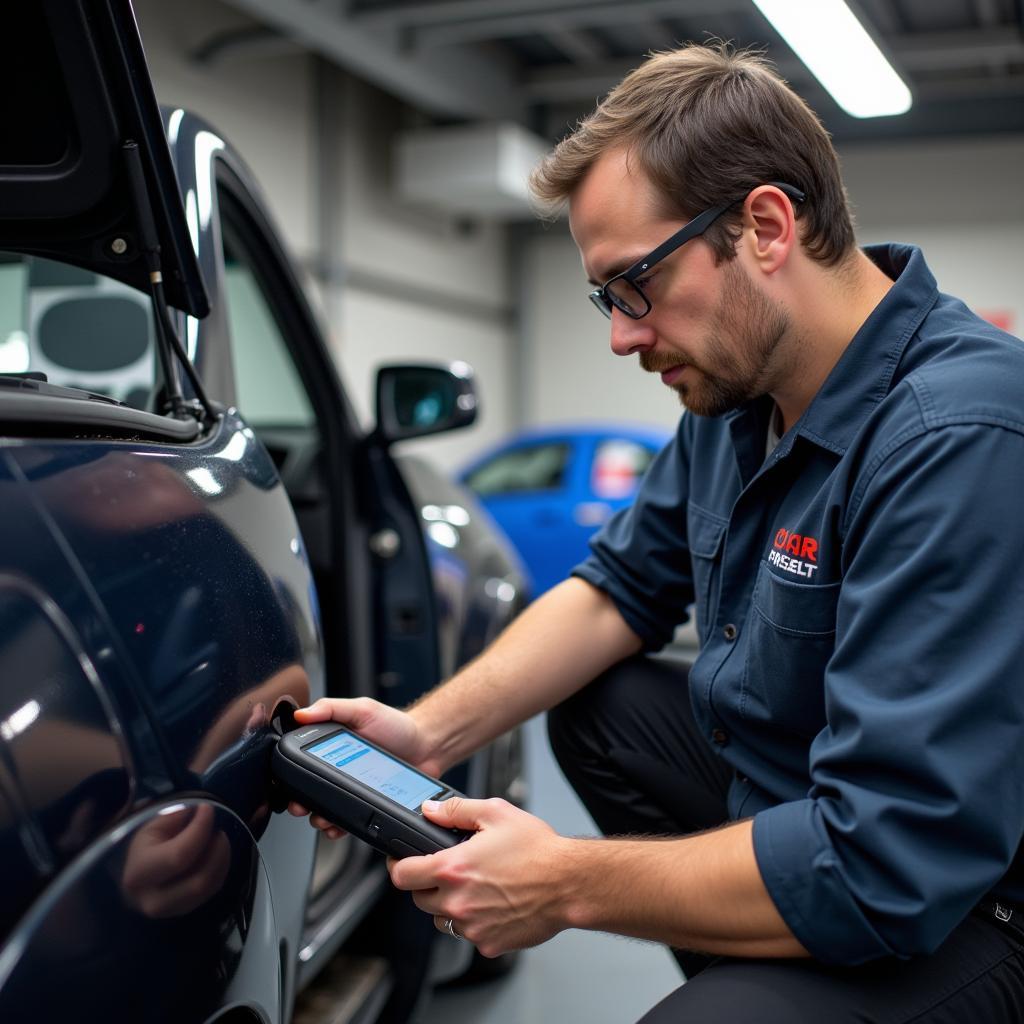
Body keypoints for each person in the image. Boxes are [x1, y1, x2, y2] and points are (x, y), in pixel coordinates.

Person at [289, 43, 1024, 1021]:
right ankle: (765, 960)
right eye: (606, 299)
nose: (620, 336)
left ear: (764, 227)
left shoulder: (958, 437)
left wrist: (564, 883)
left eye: (633, 286)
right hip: (814, 809)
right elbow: (616, 588)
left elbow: (888, 854)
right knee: (600, 709)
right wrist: (426, 730)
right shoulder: (732, 402)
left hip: (968, 902)